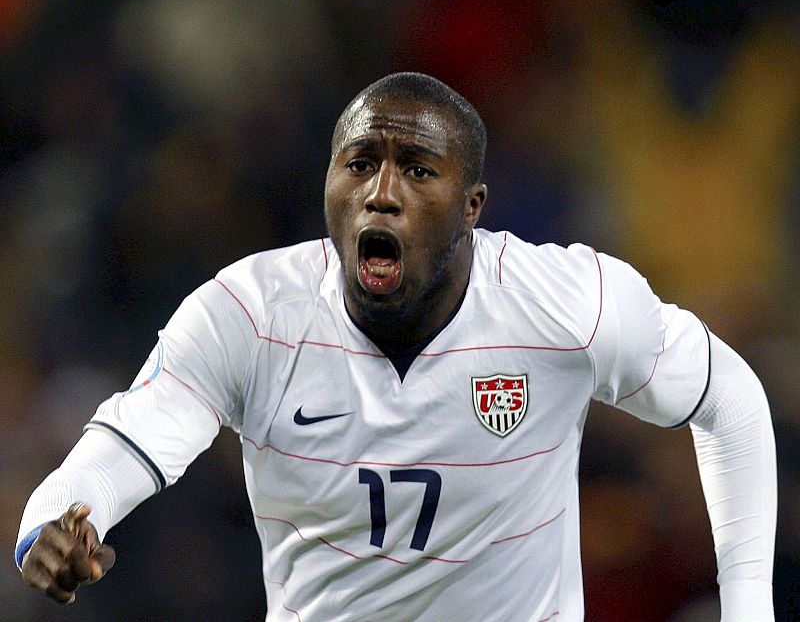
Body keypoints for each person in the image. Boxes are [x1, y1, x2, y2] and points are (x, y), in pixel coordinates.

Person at [16, 72, 777, 621]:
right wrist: (51, 524)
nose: (381, 192)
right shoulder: (249, 315)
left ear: (472, 206)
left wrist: (749, 604)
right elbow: (120, 448)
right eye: (359, 164)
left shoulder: (569, 304)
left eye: (417, 169)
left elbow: (731, 398)